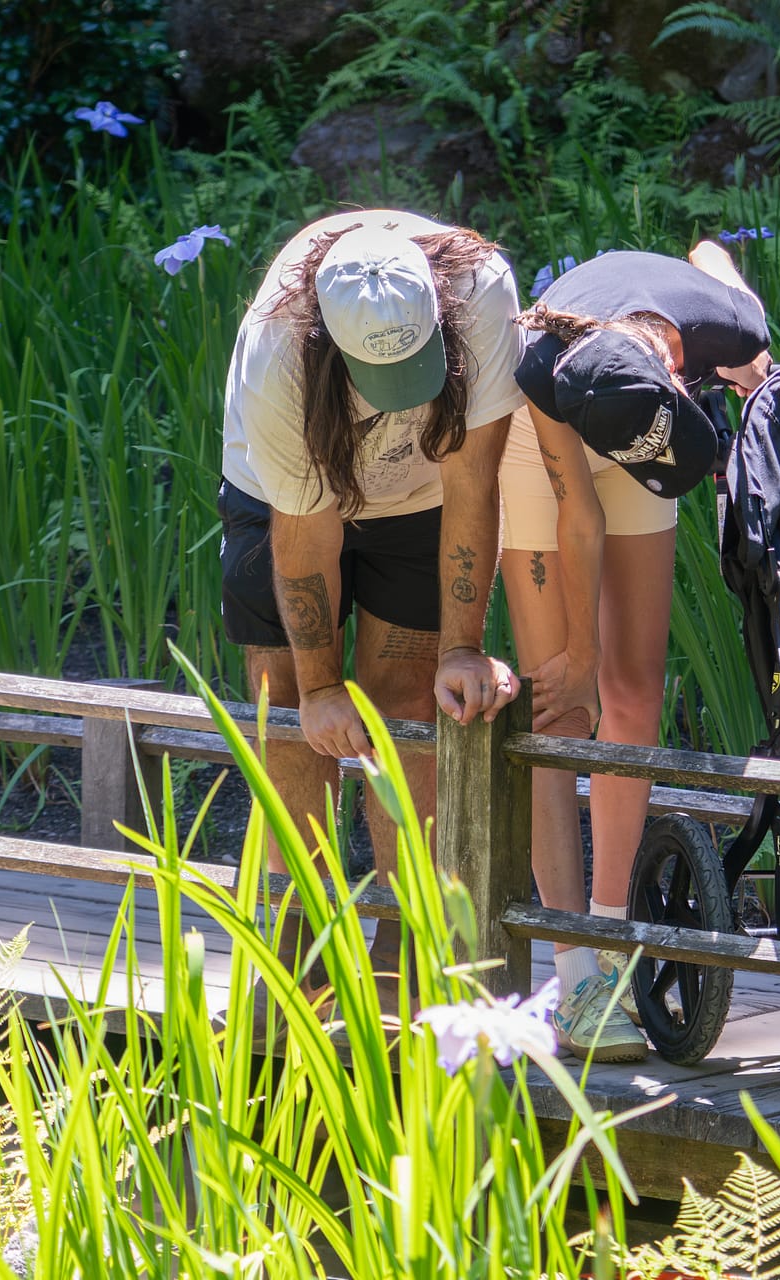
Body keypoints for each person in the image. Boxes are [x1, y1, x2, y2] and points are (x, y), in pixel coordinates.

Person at [219, 209, 522, 981]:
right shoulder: (278, 351)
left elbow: (471, 480)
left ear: (438, 311)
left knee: (412, 702)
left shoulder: (482, 288)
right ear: (328, 339)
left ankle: (406, 947)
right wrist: (323, 689)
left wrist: (462, 645)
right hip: (280, 496)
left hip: (421, 494)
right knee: (287, 707)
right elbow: (306, 534)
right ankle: (299, 949)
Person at [502, 242, 771, 1061]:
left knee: (633, 689)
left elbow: (712, 256)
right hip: (543, 449)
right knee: (560, 702)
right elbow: (576, 517)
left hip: (640, 436)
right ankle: (574, 964)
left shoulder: (724, 324)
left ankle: (616, 935)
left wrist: (754, 371)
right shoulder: (542, 361)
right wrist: (577, 655)